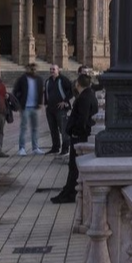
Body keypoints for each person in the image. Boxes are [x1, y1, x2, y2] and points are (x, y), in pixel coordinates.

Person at [50, 73, 98, 204]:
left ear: (78, 84)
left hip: (79, 137)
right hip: (81, 136)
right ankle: (68, 191)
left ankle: (70, 193)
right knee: (73, 167)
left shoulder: (84, 97)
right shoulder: (89, 95)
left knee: (74, 166)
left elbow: (82, 118)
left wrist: (76, 132)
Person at [12, 64, 45, 155]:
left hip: (36, 107)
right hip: (25, 107)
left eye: (35, 69)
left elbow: (41, 92)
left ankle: (35, 148)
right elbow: (15, 91)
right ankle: (22, 148)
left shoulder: (39, 79)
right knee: (24, 128)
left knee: (35, 128)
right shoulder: (22, 79)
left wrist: (40, 103)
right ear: (27, 69)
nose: (33, 70)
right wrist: (19, 103)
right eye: (31, 69)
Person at [44, 64, 74, 154]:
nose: (52, 71)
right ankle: (55, 147)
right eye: (51, 69)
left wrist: (65, 101)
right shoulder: (48, 81)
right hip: (50, 109)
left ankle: (65, 148)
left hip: (60, 109)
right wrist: (46, 103)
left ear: (58, 70)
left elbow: (71, 90)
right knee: (53, 129)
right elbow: (46, 93)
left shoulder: (63, 80)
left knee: (63, 129)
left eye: (54, 69)